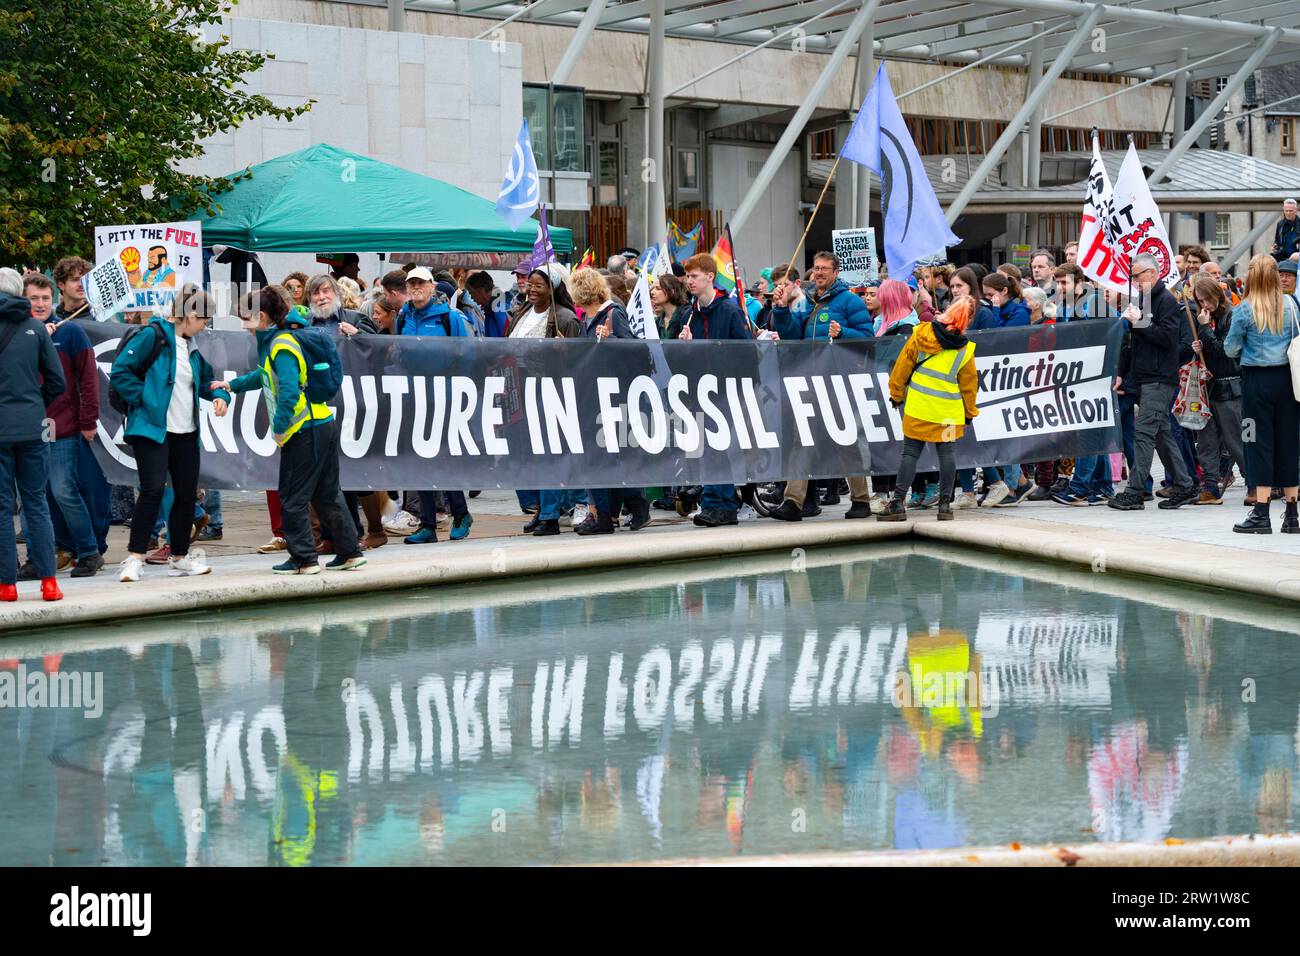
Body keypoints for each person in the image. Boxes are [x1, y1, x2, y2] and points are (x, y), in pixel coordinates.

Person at [217, 286, 367, 572]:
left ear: (260, 317)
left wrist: (281, 428)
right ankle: (350, 552)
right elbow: (264, 376)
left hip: (304, 429)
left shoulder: (281, 344)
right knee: (327, 493)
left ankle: (303, 558)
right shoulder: (278, 341)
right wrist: (232, 386)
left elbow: (287, 390)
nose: (243, 326)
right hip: (320, 422)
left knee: (292, 495)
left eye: (244, 319)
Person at [110, 285, 232, 582]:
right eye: (205, 320)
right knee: (151, 491)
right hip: (151, 428)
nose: (206, 326)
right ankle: (135, 557)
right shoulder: (152, 336)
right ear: (190, 315)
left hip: (186, 431)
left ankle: (179, 556)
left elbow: (207, 382)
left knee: (186, 495)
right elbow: (120, 372)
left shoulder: (192, 346)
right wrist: (146, 400)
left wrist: (222, 397)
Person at [22, 274, 104, 578]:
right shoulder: (17, 332)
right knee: (33, 494)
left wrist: (88, 420)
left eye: (45, 298)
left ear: (52, 298)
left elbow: (89, 379)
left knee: (64, 491)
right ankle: (35, 558)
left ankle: (88, 552)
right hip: (26, 427)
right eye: (34, 298)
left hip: (62, 425)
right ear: (24, 299)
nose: (40, 304)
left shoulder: (70, 332)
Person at [1107, 253, 1199, 511]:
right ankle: (1184, 485)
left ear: (1152, 273)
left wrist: (1140, 322)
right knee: (1161, 434)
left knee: (1145, 433)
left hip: (1160, 378)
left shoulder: (1167, 301)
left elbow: (1167, 339)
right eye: (1132, 276)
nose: (1134, 280)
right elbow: (1131, 343)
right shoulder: (1144, 300)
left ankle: (1136, 491)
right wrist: (1122, 371)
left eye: (1137, 275)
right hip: (1146, 377)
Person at [877, 296, 980, 522]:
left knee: (910, 453)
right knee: (947, 454)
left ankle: (897, 503)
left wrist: (895, 395)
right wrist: (969, 412)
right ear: (968, 319)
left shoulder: (921, 334)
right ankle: (944, 505)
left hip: (918, 408)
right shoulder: (965, 349)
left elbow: (901, 368)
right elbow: (969, 386)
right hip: (947, 413)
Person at [0, 268, 66, 602]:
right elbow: (58, 382)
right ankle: (49, 583)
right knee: (36, 502)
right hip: (32, 426)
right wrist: (35, 405)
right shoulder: (35, 329)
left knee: (0, 509)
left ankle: (7, 586)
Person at [397, 267, 475, 543]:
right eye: (411, 283)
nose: (416, 287)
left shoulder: (449, 317)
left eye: (421, 282)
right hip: (414, 397)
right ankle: (427, 524)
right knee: (420, 457)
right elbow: (399, 353)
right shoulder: (404, 316)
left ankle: (461, 513)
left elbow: (467, 354)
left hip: (444, 397)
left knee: (444, 457)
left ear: (432, 286)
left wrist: (458, 390)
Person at [1223, 255, 1300, 533]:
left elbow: (1230, 349)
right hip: (1288, 382)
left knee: (1254, 441)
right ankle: (1292, 514)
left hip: (1256, 383)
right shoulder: (1291, 305)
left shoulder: (1244, 310)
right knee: (1289, 443)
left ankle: (1261, 512)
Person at [676, 253, 753, 528]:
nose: (689, 281)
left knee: (720, 447)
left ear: (710, 277)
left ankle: (723, 504)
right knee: (707, 448)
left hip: (725, 389)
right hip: (701, 389)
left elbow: (746, 353)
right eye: (687, 276)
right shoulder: (689, 314)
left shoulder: (730, 310)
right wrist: (686, 347)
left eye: (694, 276)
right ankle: (713, 502)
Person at [569, 268, 649, 534]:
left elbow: (635, 351)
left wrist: (612, 338)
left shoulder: (613, 314)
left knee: (604, 455)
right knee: (607, 455)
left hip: (613, 396)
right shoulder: (587, 320)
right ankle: (615, 510)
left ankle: (610, 513)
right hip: (593, 394)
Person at [1186, 275, 1244, 505]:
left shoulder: (1231, 314)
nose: (1204, 305)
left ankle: (1253, 484)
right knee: (1207, 439)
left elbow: (1225, 350)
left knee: (1236, 439)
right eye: (1200, 301)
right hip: (1209, 387)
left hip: (1229, 385)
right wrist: (1199, 344)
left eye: (1206, 299)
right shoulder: (1206, 318)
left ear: (1216, 296)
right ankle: (1210, 485)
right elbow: (1210, 350)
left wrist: (1204, 331)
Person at [770, 251, 872, 341]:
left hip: (838, 363)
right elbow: (790, 338)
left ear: (836, 272)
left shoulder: (851, 301)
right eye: (816, 268)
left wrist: (842, 333)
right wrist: (782, 309)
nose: (819, 273)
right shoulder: (804, 303)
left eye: (824, 269)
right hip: (809, 362)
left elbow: (868, 339)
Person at [465, 271, 510, 337]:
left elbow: (505, 340)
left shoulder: (499, 309)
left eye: (472, 293)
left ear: (481, 291)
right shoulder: (492, 309)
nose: (472, 298)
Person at [52, 256, 93, 321]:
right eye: (75, 280)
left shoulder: (99, 318)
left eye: (84, 280)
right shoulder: (52, 318)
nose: (81, 284)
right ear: (61, 285)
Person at [651, 273, 688, 338]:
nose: (652, 292)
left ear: (671, 291)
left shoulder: (686, 316)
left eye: (658, 288)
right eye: (653, 288)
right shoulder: (657, 322)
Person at [1271, 198, 1300, 262]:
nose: (1288, 213)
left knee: (1295, 256)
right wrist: (1274, 247)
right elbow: (1277, 241)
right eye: (1286, 211)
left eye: (1291, 211)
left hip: (1296, 256)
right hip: (1282, 256)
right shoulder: (1280, 224)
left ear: (1296, 210)